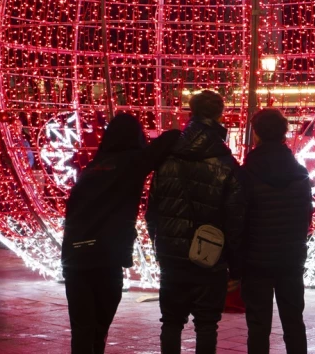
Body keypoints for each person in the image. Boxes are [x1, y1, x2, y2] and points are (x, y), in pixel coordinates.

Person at [62, 113, 180, 354]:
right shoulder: (131, 162)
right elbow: (170, 139)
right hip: (105, 255)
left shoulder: (93, 167)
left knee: (83, 328)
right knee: (99, 325)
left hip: (75, 256)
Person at [147, 90, 245, 354]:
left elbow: (152, 208)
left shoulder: (167, 157)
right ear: (220, 115)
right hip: (210, 254)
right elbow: (235, 218)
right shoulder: (227, 163)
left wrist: (159, 240)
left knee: (171, 321)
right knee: (206, 324)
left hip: (171, 251)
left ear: (190, 114)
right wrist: (234, 264)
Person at [240, 108, 312, 354]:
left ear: (257, 134)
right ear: (284, 134)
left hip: (256, 260)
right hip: (291, 258)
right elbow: (306, 218)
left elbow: (239, 218)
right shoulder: (300, 173)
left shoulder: (247, 173)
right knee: (293, 321)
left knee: (258, 326)